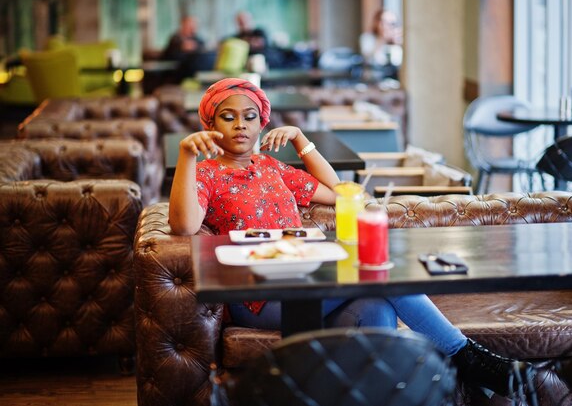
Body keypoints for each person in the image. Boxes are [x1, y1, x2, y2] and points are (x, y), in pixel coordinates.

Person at [168, 77, 534, 398]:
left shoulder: (271, 168)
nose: (240, 126)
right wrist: (186, 155)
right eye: (227, 117)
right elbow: (184, 226)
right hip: (260, 296)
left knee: (376, 307)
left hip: (306, 277)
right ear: (210, 123)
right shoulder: (208, 173)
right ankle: (466, 357)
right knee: (378, 274)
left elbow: (343, 191)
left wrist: (300, 140)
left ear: (262, 123)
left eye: (250, 117)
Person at [359, 9, 403, 78]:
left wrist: (400, 44)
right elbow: (367, 57)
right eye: (384, 22)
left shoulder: (397, 39)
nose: (387, 26)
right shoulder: (368, 38)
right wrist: (382, 39)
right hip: (374, 77)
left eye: (392, 23)